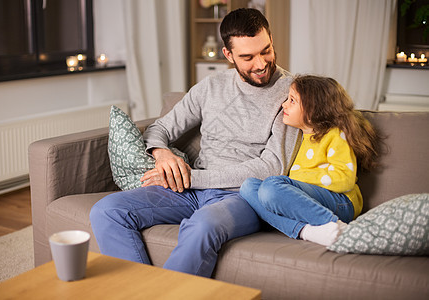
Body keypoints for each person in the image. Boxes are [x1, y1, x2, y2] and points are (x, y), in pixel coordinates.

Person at [89, 8, 300, 277]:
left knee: (202, 225)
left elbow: (272, 167)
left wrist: (192, 178)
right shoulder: (211, 87)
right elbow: (160, 127)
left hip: (243, 197)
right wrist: (161, 152)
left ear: (271, 38)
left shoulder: (292, 93)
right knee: (106, 211)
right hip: (188, 191)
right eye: (247, 57)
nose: (260, 64)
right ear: (228, 55)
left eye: (266, 50)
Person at [239, 75, 380, 247]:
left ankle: (340, 228)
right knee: (248, 186)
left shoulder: (335, 134)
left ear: (313, 109)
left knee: (271, 187)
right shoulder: (297, 137)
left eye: (292, 101)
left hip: (341, 202)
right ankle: (307, 231)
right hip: (307, 201)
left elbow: (345, 179)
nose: (284, 104)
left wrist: (293, 182)